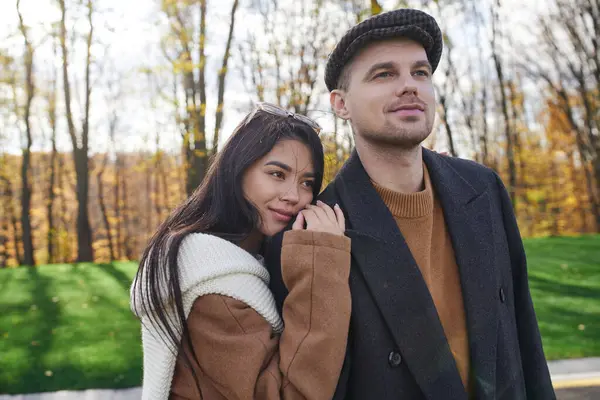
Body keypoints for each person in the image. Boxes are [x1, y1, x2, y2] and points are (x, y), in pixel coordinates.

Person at [265, 9, 556, 400]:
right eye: (384, 74)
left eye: (420, 73)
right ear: (340, 103)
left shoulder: (483, 189)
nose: (409, 86)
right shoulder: (312, 233)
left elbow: (525, 342)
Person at [130, 103, 352, 400]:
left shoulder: (241, 257)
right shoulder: (215, 284)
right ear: (238, 169)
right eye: (276, 174)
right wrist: (323, 264)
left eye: (306, 182)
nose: (293, 196)